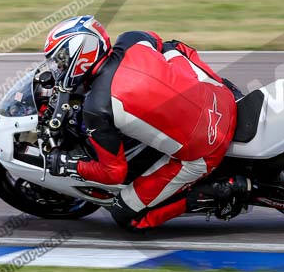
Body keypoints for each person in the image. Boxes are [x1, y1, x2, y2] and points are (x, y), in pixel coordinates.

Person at [42, 15, 249, 230]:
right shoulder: (131, 39)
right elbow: (159, 42)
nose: (58, 67)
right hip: (220, 95)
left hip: (206, 149)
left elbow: (113, 173)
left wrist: (69, 164)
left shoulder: (97, 109)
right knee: (171, 47)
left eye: (61, 60)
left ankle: (222, 191)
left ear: (81, 55)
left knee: (125, 215)